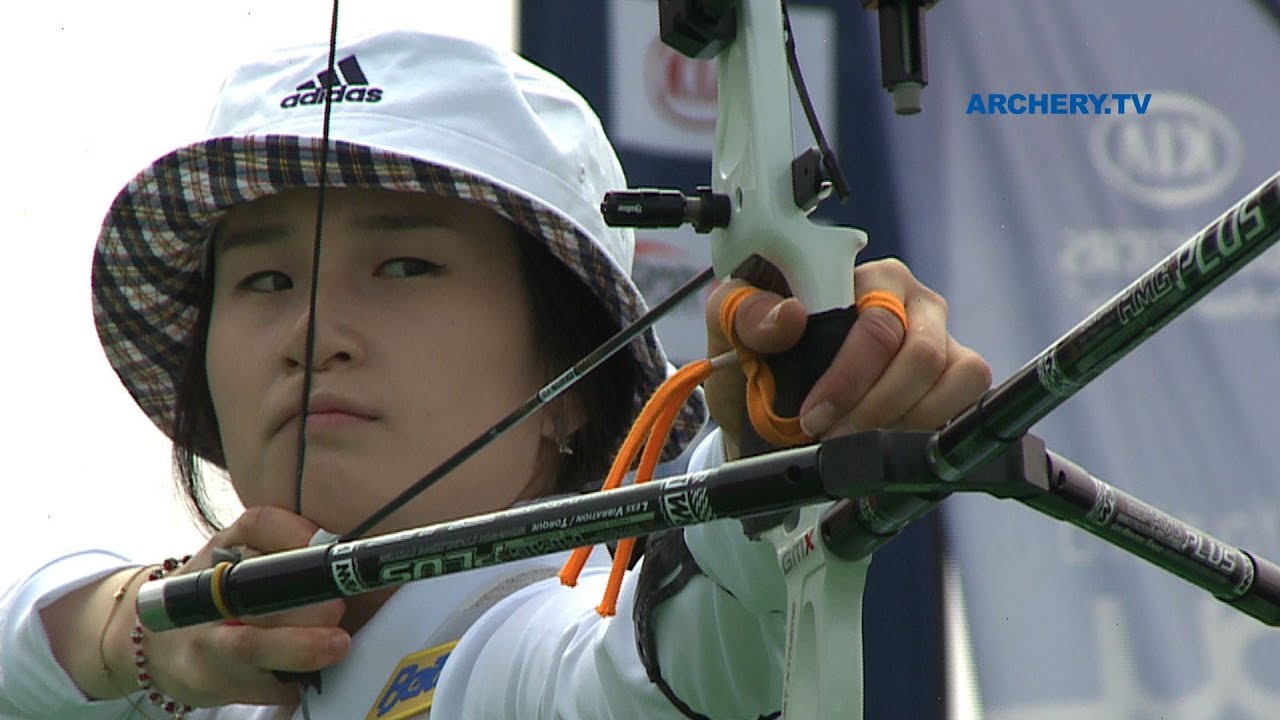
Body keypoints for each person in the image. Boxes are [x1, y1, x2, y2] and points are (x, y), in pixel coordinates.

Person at [0, 28, 990, 720]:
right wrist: (141, 634)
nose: (310, 333)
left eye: (403, 266)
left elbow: (684, 664)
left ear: (572, 382)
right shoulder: (205, 690)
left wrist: (767, 450)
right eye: (262, 278)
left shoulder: (520, 651)